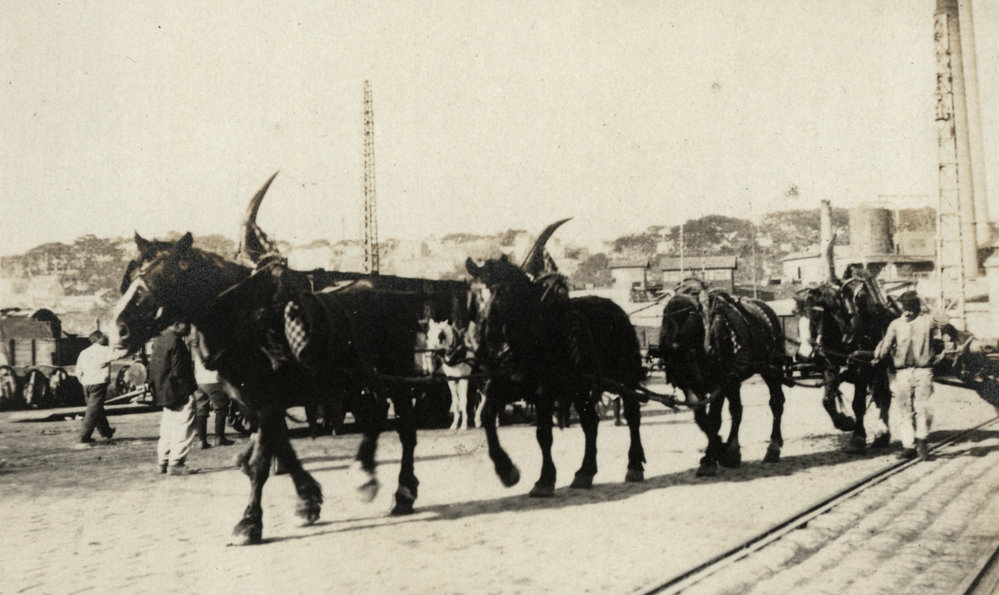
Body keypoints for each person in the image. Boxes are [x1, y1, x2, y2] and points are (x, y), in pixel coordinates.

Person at [873, 290, 945, 460]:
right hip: (902, 373)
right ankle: (908, 446)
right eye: (904, 307)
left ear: (917, 307)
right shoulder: (895, 324)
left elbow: (945, 321)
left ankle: (922, 441)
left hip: (924, 371)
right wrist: (878, 356)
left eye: (911, 307)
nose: (907, 311)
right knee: (905, 410)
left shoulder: (928, 321)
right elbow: (885, 346)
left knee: (924, 408)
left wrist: (929, 309)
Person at [149, 322, 199, 475]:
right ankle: (177, 462)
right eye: (187, 326)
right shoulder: (176, 342)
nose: (189, 329)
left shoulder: (158, 340)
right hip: (179, 390)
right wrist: (189, 391)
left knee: (168, 427)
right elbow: (180, 371)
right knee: (184, 425)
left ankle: (163, 461)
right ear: (178, 324)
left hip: (164, 391)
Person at [189, 327, 235, 449]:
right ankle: (219, 437)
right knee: (220, 408)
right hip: (213, 379)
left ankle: (201, 440)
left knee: (201, 409)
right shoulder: (212, 340)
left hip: (199, 379)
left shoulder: (194, 342)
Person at [73, 331, 118, 449]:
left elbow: (78, 371)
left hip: (86, 384)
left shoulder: (84, 352)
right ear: (98, 338)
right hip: (98, 384)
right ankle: (84, 436)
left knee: (96, 408)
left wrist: (83, 382)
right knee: (93, 410)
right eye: (103, 336)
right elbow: (121, 354)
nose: (106, 337)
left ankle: (106, 432)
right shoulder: (105, 350)